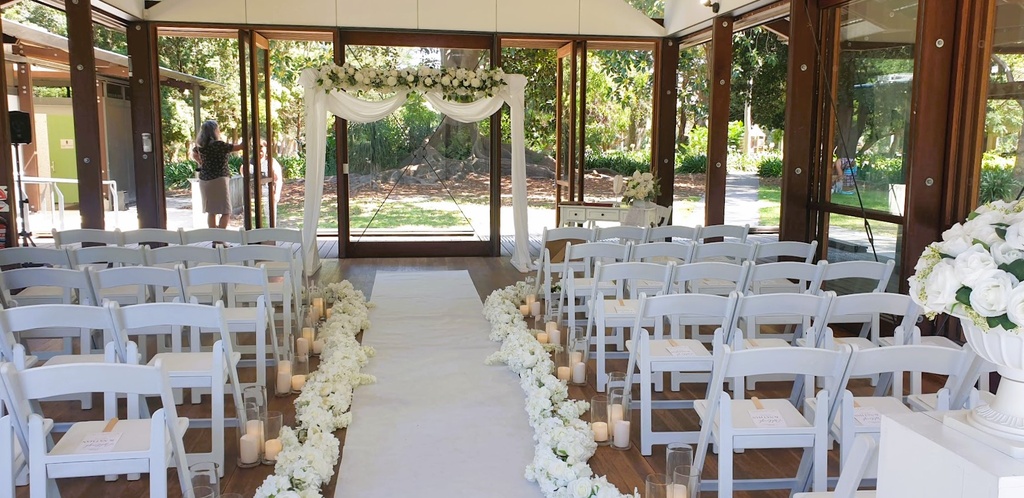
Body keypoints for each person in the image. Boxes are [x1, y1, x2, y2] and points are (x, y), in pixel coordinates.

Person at [192, 120, 243, 228]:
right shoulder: (219, 145)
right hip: (219, 179)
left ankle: (214, 235)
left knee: (211, 211)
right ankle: (220, 236)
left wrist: (200, 162)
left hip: (204, 180)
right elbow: (239, 147)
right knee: (226, 211)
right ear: (215, 131)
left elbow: (194, 154)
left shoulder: (201, 146)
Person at [251, 139, 283, 219]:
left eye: (261, 148)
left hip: (269, 195)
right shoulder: (251, 164)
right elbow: (244, 172)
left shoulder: (271, 162)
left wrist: (276, 194)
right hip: (256, 196)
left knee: (270, 218)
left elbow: (278, 179)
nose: (259, 152)